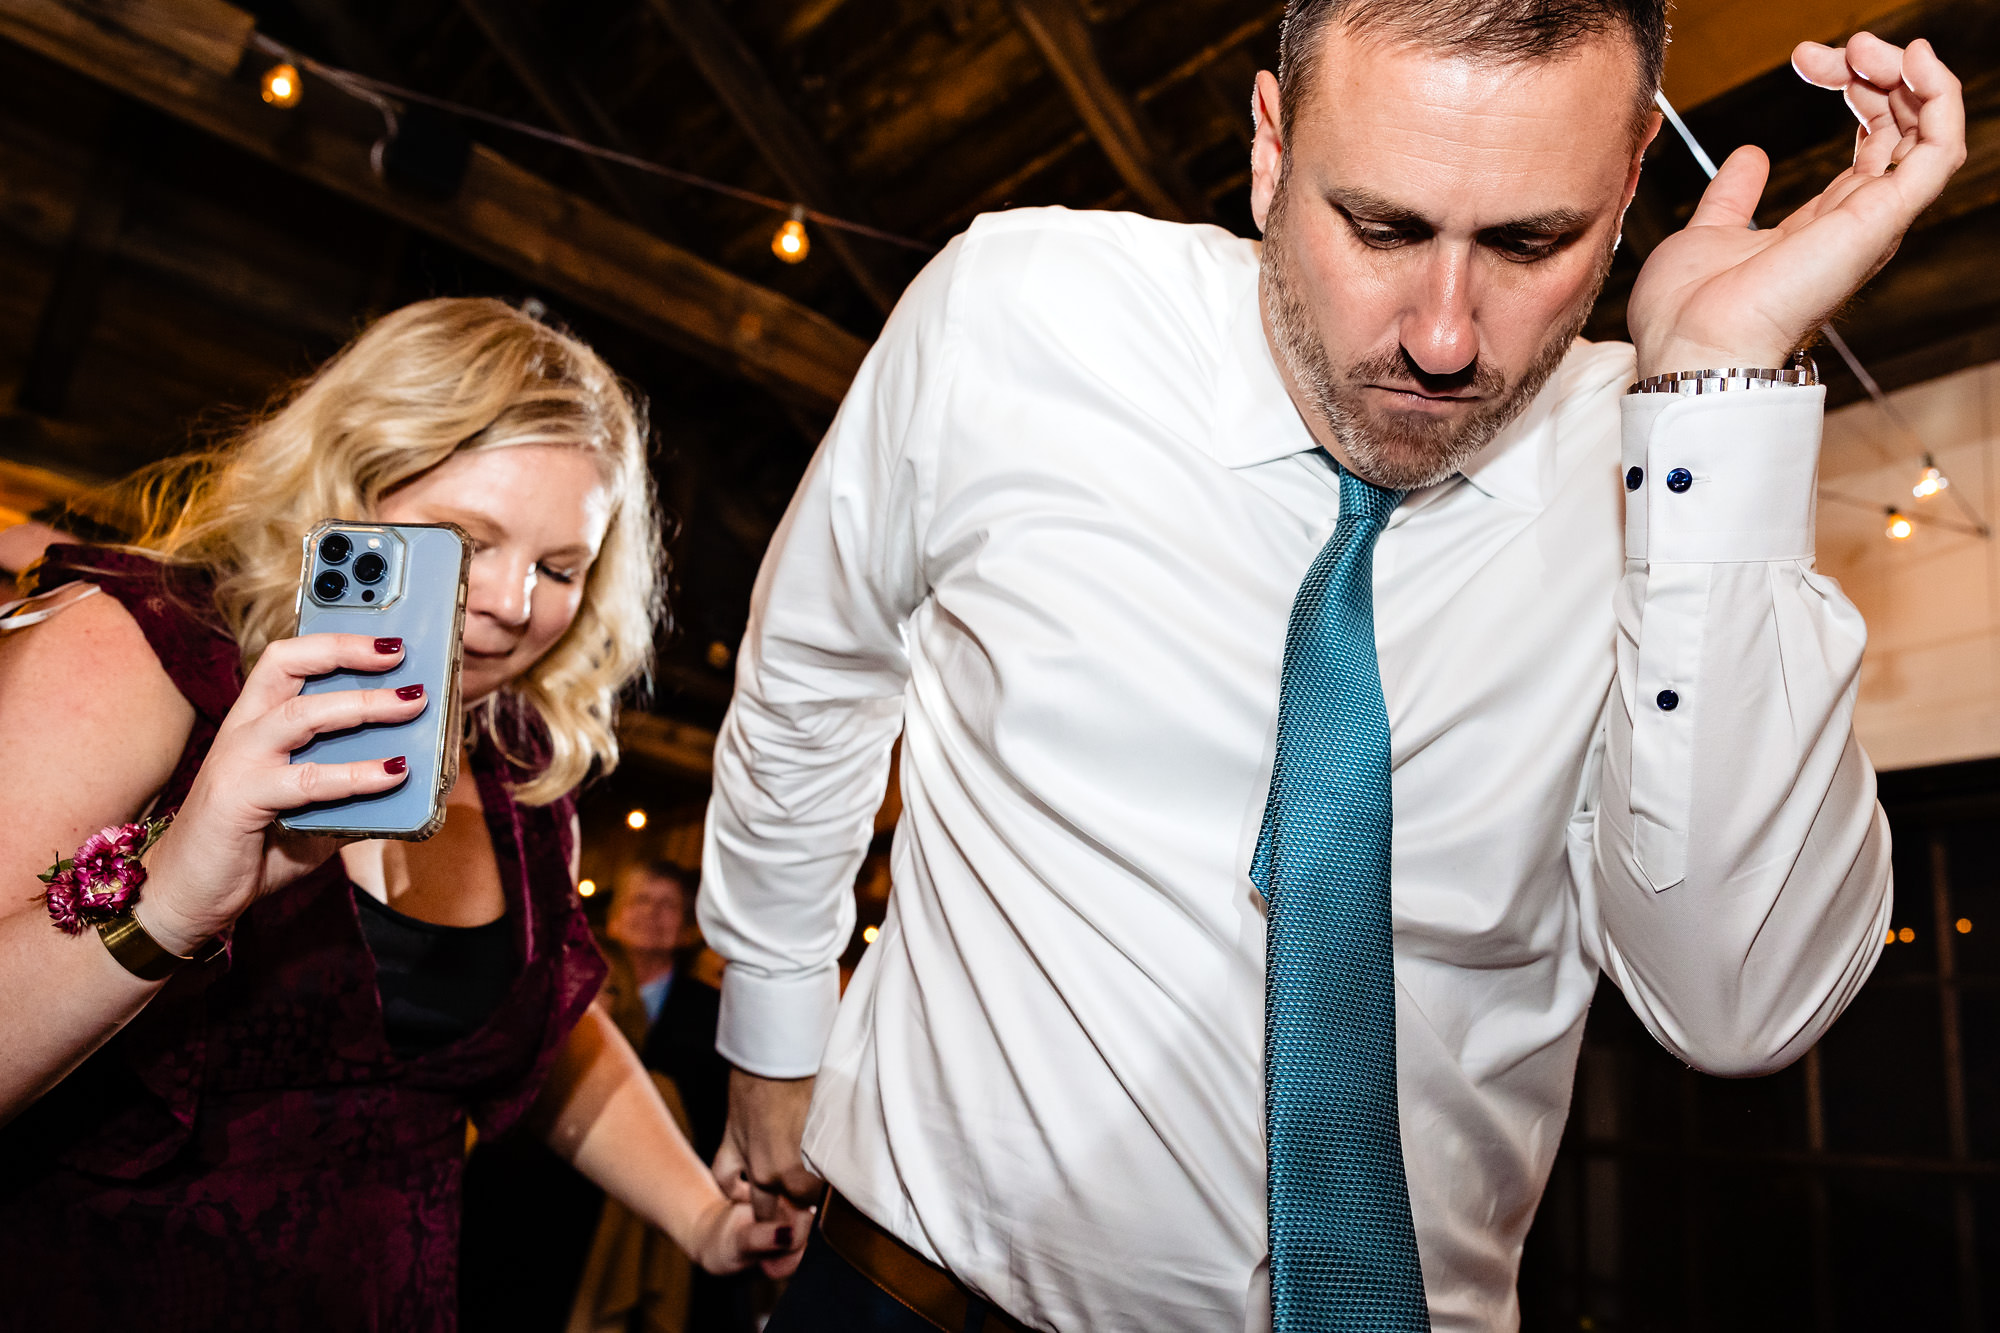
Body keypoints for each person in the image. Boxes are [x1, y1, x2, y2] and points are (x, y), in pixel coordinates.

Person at [697, 2, 1964, 1330]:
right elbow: (818, 667)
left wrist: (1715, 383)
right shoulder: (1018, 312)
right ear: (1269, 144)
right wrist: (774, 1036)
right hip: (916, 1298)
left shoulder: (1663, 465)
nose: (1444, 336)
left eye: (1532, 241)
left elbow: (1740, 1004)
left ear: (1634, 174)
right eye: (1381, 227)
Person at [0, 297, 804, 1330]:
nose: (516, 601)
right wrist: (167, 898)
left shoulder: (513, 764)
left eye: (560, 567)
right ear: (351, 488)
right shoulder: (134, 649)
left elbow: (545, 1036)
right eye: (469, 541)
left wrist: (704, 1219)